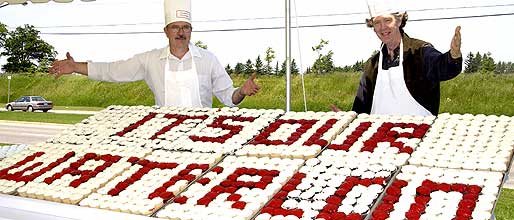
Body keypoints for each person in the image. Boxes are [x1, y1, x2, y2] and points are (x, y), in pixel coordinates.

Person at [49, 0, 259, 108]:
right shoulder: (151, 60)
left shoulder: (208, 60)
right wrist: (76, 67)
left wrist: (242, 90)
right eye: (175, 27)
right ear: (166, 31)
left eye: (185, 27)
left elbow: (228, 97)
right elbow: (113, 70)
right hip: (164, 134)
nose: (181, 32)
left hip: (203, 135)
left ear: (191, 30)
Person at [331, 1, 462, 116]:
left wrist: (453, 55)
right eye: (377, 22)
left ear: (399, 21)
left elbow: (442, 67)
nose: (382, 27)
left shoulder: (419, 51)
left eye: (387, 20)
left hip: (418, 136)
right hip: (379, 138)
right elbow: (362, 107)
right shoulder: (373, 64)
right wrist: (348, 118)